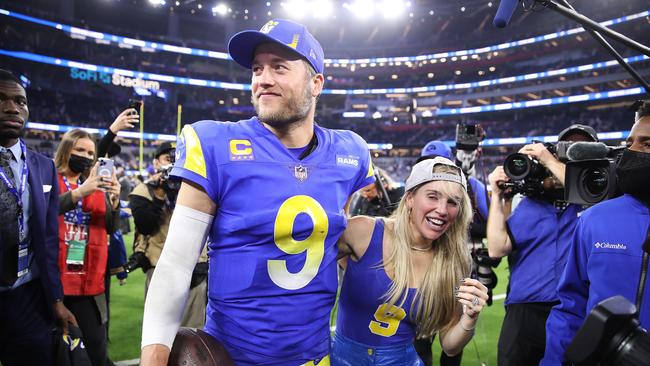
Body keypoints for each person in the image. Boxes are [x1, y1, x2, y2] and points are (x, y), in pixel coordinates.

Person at [140, 19, 375, 365]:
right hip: (234, 357)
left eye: (279, 67)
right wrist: (154, 359)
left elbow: (336, 237)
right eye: (257, 68)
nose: (263, 79)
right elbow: (175, 265)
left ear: (316, 83)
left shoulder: (350, 153)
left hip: (317, 357)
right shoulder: (215, 144)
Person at [333, 157, 489, 365]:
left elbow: (450, 347)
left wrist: (470, 318)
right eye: (433, 196)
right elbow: (304, 255)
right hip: (341, 359)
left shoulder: (454, 264)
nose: (442, 210)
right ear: (410, 198)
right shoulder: (365, 232)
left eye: (453, 202)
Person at [541, 102, 650, 365]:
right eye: (629, 142)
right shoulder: (595, 219)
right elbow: (570, 307)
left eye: (646, 144)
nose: (630, 151)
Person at [487, 124, 599, 366]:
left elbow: (584, 190)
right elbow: (496, 248)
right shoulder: (528, 202)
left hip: (572, 308)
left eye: (580, 150)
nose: (571, 154)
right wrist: (497, 197)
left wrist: (548, 160)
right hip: (523, 308)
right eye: (566, 149)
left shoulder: (595, 200)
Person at [0, 68, 77, 365]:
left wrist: (56, 299)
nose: (12, 107)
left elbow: (47, 239)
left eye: (20, 101)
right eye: (2, 99)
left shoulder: (44, 166)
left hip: (28, 297)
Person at [414, 140, 492, 366]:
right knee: (420, 341)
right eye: (425, 164)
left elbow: (489, 224)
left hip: (456, 268)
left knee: (452, 341)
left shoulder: (472, 186)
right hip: (426, 272)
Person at [55, 128, 121, 366]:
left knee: (96, 350)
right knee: (60, 355)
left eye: (90, 152)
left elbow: (112, 227)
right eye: (79, 149)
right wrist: (80, 192)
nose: (84, 155)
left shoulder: (96, 186)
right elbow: (44, 211)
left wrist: (114, 200)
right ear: (66, 150)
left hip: (92, 285)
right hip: (56, 286)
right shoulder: (49, 179)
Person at [129, 141, 208, 328]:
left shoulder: (199, 188)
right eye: (168, 158)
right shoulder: (143, 190)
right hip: (160, 269)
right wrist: (159, 193)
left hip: (195, 269)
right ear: (157, 162)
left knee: (193, 336)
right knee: (157, 334)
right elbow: (145, 226)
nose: (173, 162)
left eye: (177, 157)